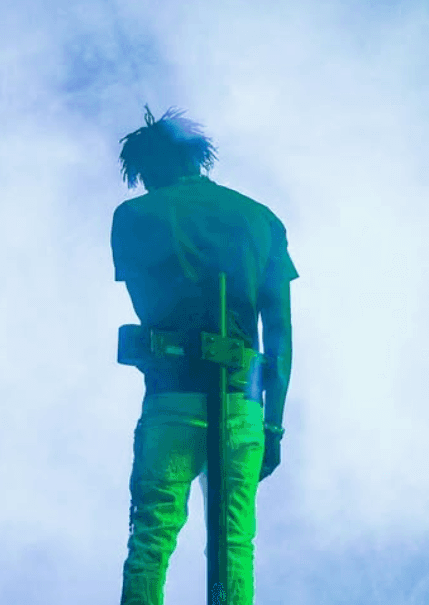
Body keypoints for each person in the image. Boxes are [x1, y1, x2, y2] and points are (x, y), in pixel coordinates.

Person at [112, 107, 297, 605]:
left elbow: (149, 306)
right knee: (232, 544)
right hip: (242, 403)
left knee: (151, 538)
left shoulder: (134, 217)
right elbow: (280, 332)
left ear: (147, 169)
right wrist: (274, 425)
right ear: (198, 158)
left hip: (171, 397)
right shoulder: (260, 219)